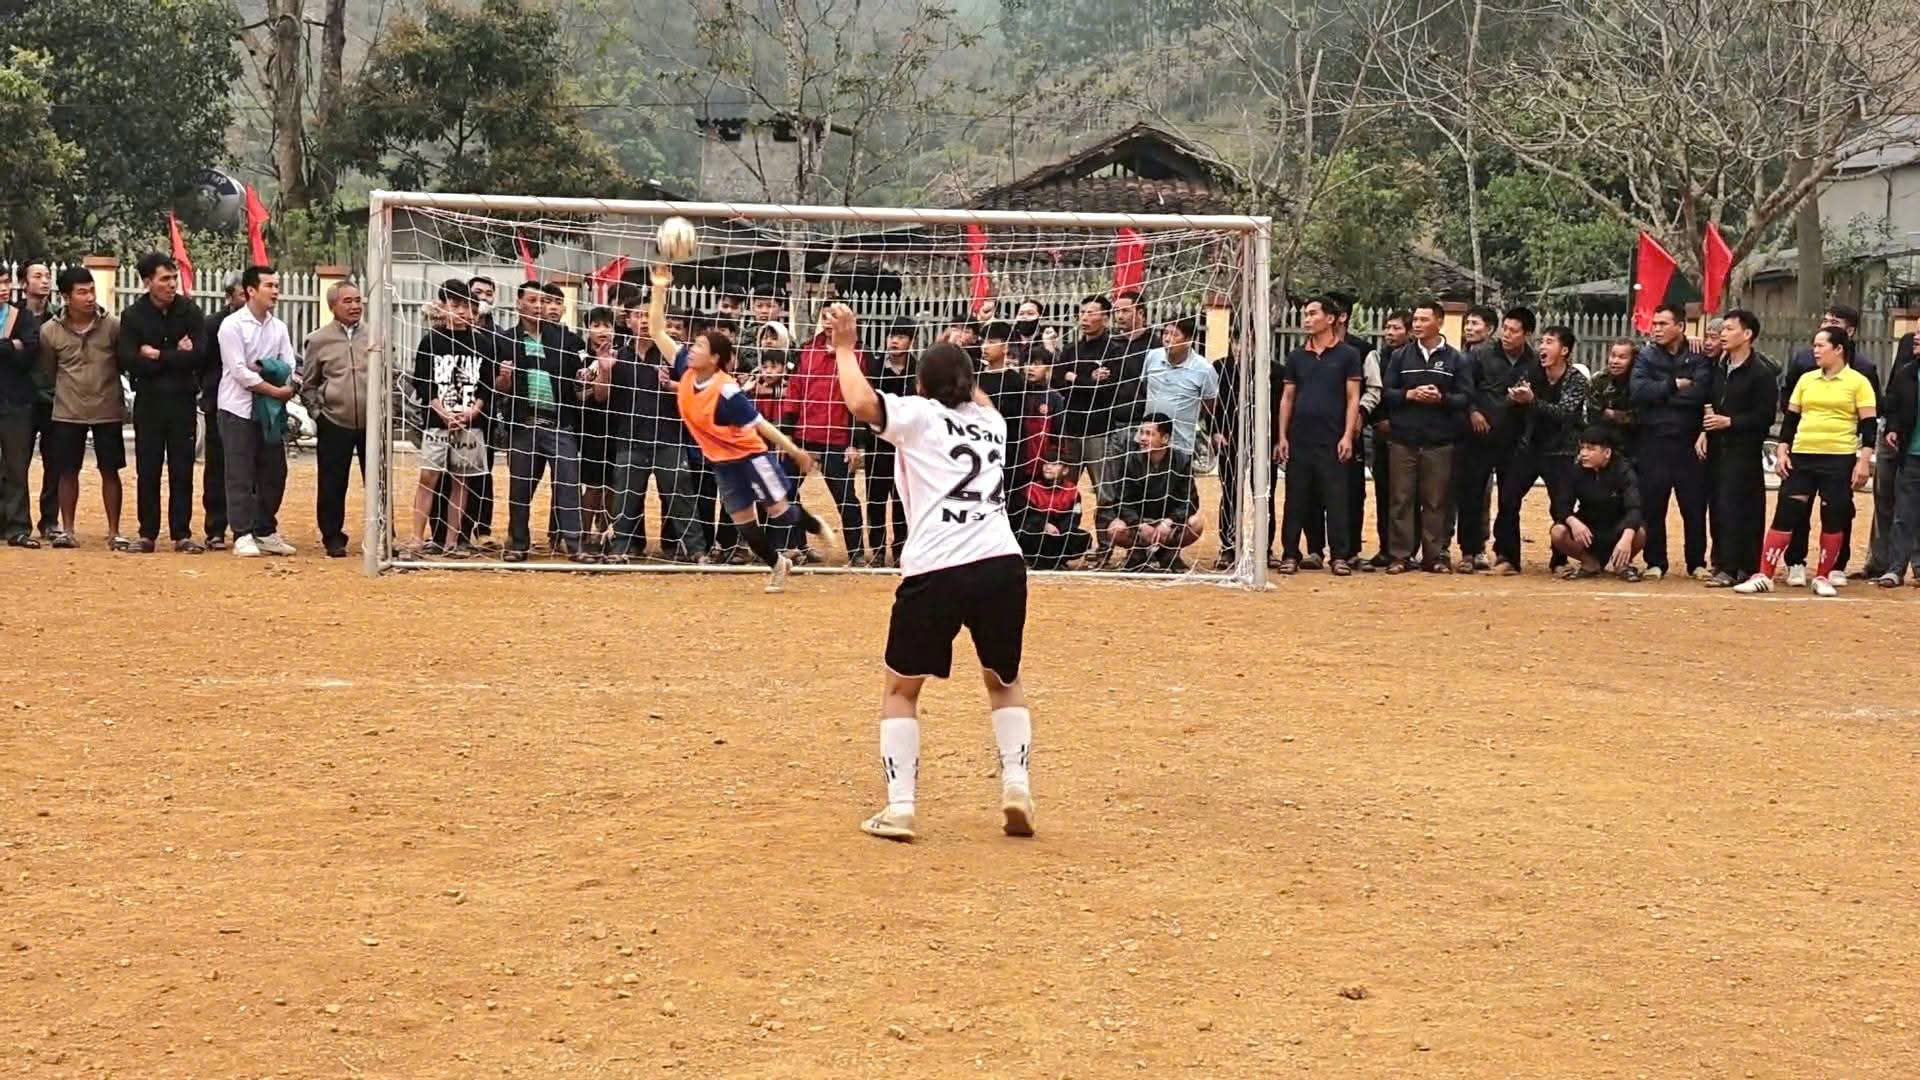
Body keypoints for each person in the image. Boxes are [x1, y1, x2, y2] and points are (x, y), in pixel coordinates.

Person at [825, 306, 1035, 843]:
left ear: (921, 386)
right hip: (1001, 562)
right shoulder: (992, 423)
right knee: (1003, 681)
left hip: (938, 565)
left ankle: (901, 808)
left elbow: (861, 403)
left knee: (901, 689)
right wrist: (963, 358)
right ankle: (1016, 786)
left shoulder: (918, 415)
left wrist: (845, 347)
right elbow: (974, 394)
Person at [647, 265, 830, 591]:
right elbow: (657, 331)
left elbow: (762, 425)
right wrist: (660, 288)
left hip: (751, 457)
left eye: (700, 347)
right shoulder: (686, 369)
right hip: (723, 463)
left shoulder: (726, 391)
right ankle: (778, 565)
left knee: (780, 512)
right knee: (745, 525)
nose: (692, 349)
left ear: (715, 359)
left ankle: (814, 525)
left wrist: (795, 451)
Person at [1735, 325, 1877, 597]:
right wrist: (1782, 450)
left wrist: (1863, 461)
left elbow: (1868, 425)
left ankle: (1823, 576)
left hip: (1839, 457)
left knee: (1833, 516)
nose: (1815, 350)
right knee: (1786, 512)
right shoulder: (1806, 380)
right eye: (1814, 345)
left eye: (1821, 345)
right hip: (1802, 455)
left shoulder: (1859, 382)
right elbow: (1791, 420)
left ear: (1839, 349)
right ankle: (1764, 575)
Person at [1776, 305, 1877, 584]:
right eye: (1825, 320)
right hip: (1805, 447)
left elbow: (1870, 416)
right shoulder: (1804, 362)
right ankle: (1795, 561)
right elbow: (1788, 400)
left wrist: (1862, 456)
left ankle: (1835, 566)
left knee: (1839, 508)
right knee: (1796, 507)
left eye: (1835, 322)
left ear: (1850, 332)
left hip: (1839, 451)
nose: (1826, 324)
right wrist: (1788, 441)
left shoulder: (1864, 369)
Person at [116, 253, 206, 554]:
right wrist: (176, 354)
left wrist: (156, 354)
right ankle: (147, 533)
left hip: (183, 399)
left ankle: (182, 533)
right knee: (148, 468)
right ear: (147, 282)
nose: (171, 284)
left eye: (173, 278)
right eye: (164, 279)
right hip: (149, 401)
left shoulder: (190, 311)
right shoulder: (133, 316)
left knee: (182, 468)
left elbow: (199, 355)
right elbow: (128, 360)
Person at [599, 301, 702, 563]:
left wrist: (672, 385)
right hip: (630, 438)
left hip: (669, 437)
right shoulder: (618, 355)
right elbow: (601, 397)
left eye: (649, 316)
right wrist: (604, 371)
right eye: (638, 315)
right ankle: (620, 548)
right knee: (625, 498)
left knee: (681, 496)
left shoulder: (675, 354)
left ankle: (696, 550)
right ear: (628, 321)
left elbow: (697, 390)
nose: (644, 321)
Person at [495, 281, 586, 562]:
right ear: (518, 303)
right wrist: (504, 379)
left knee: (568, 485)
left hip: (559, 424)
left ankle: (574, 544)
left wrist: (587, 376)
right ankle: (518, 544)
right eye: (532, 300)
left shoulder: (567, 339)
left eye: (543, 302)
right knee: (520, 488)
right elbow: (498, 388)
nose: (538, 306)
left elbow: (579, 380)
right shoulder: (505, 340)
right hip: (524, 425)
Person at [38, 267, 126, 550]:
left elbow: (122, 362)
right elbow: (49, 370)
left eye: (92, 291)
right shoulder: (49, 332)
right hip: (68, 410)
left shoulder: (113, 326)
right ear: (66, 297)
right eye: (82, 292)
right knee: (67, 471)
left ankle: (114, 531)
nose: (89, 297)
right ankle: (68, 530)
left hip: (107, 408)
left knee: (110, 470)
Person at [1274, 297, 1362, 575]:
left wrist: (1347, 435)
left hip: (1333, 439)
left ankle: (1339, 556)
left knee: (1336, 498)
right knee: (1295, 498)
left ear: (1331, 318)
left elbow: (1353, 398)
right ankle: (1290, 553)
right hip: (1300, 439)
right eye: (1306, 314)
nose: (1307, 319)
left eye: (1313, 314)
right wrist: (1282, 436)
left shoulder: (1348, 355)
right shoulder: (1297, 357)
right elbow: (1287, 398)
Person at [215, 265, 298, 558]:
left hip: (270, 412)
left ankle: (265, 530)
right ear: (251, 290)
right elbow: (239, 371)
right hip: (237, 409)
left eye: (277, 286)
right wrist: (274, 388)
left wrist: (274, 374)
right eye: (269, 286)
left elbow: (289, 364)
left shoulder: (279, 328)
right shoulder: (232, 326)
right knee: (240, 472)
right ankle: (242, 533)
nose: (275, 291)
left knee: (275, 471)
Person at [1381, 300, 1470, 573]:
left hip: (1439, 443)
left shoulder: (1456, 359)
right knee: (1401, 500)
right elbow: (1387, 393)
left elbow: (1465, 397)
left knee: (1435, 502)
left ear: (1439, 322)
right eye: (1416, 320)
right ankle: (1400, 556)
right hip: (1403, 441)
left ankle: (1435, 557)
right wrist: (1409, 394)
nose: (1417, 325)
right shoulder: (1400, 357)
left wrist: (1441, 398)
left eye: (1423, 320)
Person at [1494, 324, 1589, 574]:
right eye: (1541, 342)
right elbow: (1510, 401)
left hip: (1562, 451)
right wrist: (1514, 398)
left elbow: (1565, 413)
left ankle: (1559, 560)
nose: (1542, 347)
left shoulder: (1576, 379)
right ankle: (1508, 557)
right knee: (1508, 499)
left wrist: (1532, 401)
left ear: (1564, 350)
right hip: (1530, 447)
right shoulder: (1531, 372)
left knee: (1560, 506)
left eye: (1549, 342)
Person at [408, 280, 493, 558]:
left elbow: (487, 387)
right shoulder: (430, 341)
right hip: (437, 423)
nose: (461, 312)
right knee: (428, 478)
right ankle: (416, 538)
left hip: (470, 424)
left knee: (462, 481)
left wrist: (472, 412)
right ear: (442, 307)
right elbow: (424, 384)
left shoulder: (482, 344)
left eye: (466, 306)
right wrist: (442, 413)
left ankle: (452, 541)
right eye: (455, 305)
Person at [1629, 303, 1713, 581]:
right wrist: (1674, 385)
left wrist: (1662, 396)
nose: (1656, 329)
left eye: (1663, 324)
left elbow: (1701, 393)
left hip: (1689, 444)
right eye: (1654, 324)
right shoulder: (1646, 356)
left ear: (1680, 326)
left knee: (1694, 506)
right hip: (1653, 442)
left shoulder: (1698, 355)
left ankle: (1697, 562)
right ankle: (1655, 562)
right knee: (1653, 506)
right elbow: (1639, 392)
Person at [1700, 309, 1778, 587]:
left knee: (1742, 507)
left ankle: (1741, 566)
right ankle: (1722, 563)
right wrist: (1705, 430)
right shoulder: (1719, 367)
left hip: (1744, 450)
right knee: (1718, 506)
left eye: (1729, 329)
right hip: (1717, 447)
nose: (1723, 334)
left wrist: (1730, 422)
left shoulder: (1761, 373)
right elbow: (1709, 401)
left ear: (1747, 334)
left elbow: (1765, 417)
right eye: (1722, 329)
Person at [1455, 307, 1534, 572]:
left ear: (1527, 334)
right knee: (1472, 495)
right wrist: (1473, 411)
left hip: (1513, 439)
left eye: (1514, 331)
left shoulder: (1534, 361)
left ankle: (1506, 554)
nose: (1507, 335)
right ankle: (1470, 551)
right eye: (1505, 329)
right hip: (1479, 435)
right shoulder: (1480, 354)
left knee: (1510, 499)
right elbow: (1465, 388)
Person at [789, 311, 869, 564]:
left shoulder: (857, 354)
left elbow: (860, 398)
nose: (828, 320)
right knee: (785, 492)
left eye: (834, 316)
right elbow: (794, 391)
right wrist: (788, 436)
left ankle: (856, 553)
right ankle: (797, 547)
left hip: (838, 438)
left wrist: (855, 443)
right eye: (825, 315)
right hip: (804, 435)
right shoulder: (806, 350)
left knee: (846, 499)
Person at [297, 282, 370, 558]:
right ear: (332, 306)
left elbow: (392, 374)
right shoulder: (318, 340)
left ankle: (382, 535)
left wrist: (387, 409)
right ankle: (333, 537)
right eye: (347, 301)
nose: (355, 306)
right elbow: (309, 384)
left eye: (358, 300)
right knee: (332, 483)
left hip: (372, 424)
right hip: (334, 422)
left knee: (378, 483)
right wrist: (319, 414)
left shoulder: (376, 336)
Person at [1104, 412, 1205, 572]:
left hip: (1169, 524)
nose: (1142, 438)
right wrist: (1140, 524)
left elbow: (1190, 501)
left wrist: (1168, 522)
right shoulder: (1129, 460)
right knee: (1115, 528)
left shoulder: (1182, 461)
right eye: (1141, 433)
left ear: (1165, 439)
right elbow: (1121, 502)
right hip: (1140, 524)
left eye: (1149, 434)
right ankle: (1137, 555)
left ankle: (1169, 554)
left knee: (1196, 524)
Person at [1550, 428, 1645, 581]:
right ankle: (1590, 563)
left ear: (1607, 453)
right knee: (1558, 532)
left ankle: (1621, 565)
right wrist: (1573, 522)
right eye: (1582, 448)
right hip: (1587, 531)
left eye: (1591, 449)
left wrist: (1627, 537)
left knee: (1639, 532)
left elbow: (1634, 508)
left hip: (1617, 528)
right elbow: (1561, 505)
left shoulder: (1623, 470)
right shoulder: (1575, 470)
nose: (1584, 453)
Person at [861, 320, 917, 566]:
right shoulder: (873, 368)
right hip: (877, 444)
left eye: (901, 336)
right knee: (875, 498)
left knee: (902, 499)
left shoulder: (918, 370)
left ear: (911, 342)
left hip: (906, 446)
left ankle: (901, 551)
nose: (894, 341)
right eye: (891, 335)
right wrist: (858, 442)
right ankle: (876, 550)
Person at [198, 274, 245, 549]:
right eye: (241, 295)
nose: (246, 300)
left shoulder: (266, 325)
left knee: (249, 468)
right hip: (218, 404)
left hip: (252, 404)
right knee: (217, 467)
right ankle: (215, 528)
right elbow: (202, 363)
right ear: (229, 297)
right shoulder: (212, 325)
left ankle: (247, 528)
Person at [0, 264, 44, 547]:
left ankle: (17, 527)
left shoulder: (22, 316)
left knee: (17, 466)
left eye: (6, 282)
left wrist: (14, 347)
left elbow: (29, 352)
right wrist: (9, 345)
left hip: (16, 399)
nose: (4, 289)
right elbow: (16, 349)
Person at [1363, 312, 1410, 568]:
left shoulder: (1414, 358)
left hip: (1409, 434)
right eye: (1388, 328)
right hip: (1382, 434)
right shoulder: (1378, 357)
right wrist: (1378, 420)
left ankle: (1406, 550)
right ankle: (1385, 548)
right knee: (1384, 493)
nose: (1390, 333)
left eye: (1396, 328)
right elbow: (1372, 391)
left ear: (1409, 332)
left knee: (1407, 496)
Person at [574, 306, 620, 557]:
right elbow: (579, 394)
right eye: (597, 325)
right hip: (590, 427)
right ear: (587, 329)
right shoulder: (579, 355)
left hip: (617, 426)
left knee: (612, 485)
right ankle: (583, 536)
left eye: (607, 325)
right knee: (592, 486)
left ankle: (606, 535)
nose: (603, 331)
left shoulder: (621, 354)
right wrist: (594, 385)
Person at [1875, 332, 1920, 586]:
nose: (1916, 338)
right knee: (1904, 514)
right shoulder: (1906, 374)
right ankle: (1895, 569)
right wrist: (1892, 428)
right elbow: (1892, 404)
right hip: (1912, 455)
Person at [1141, 316, 1220, 456]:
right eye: (1165, 333)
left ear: (1188, 340)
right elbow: (1144, 387)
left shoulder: (1204, 369)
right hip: (1150, 442)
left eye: (1174, 335)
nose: (1167, 339)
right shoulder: (1152, 356)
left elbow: (1210, 404)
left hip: (1181, 445)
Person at [20, 263, 59, 542]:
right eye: (38, 276)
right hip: (19, 399)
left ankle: (50, 520)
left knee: (54, 462)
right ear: (24, 283)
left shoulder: (59, 317)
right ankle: (13, 519)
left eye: (47, 276)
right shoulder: (12, 316)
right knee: (15, 462)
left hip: (52, 399)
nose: (45, 281)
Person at [1014, 453, 1092, 570]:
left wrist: (1060, 531)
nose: (1048, 467)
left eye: (1054, 464)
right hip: (1037, 531)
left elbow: (1074, 517)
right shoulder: (1031, 489)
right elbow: (1026, 516)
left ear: (1065, 470)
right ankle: (1035, 560)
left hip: (1059, 533)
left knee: (1083, 538)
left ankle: (1057, 560)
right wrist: (1045, 525)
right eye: (1046, 463)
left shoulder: (1071, 491)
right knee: (1027, 534)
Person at [1587, 339, 1638, 461]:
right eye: (1613, 356)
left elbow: (1641, 418)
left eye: (1622, 357)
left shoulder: (1640, 381)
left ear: (1633, 360)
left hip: (1635, 445)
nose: (1615, 361)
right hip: (1604, 444)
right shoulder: (1599, 380)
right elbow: (1594, 415)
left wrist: (1612, 414)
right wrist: (1623, 416)